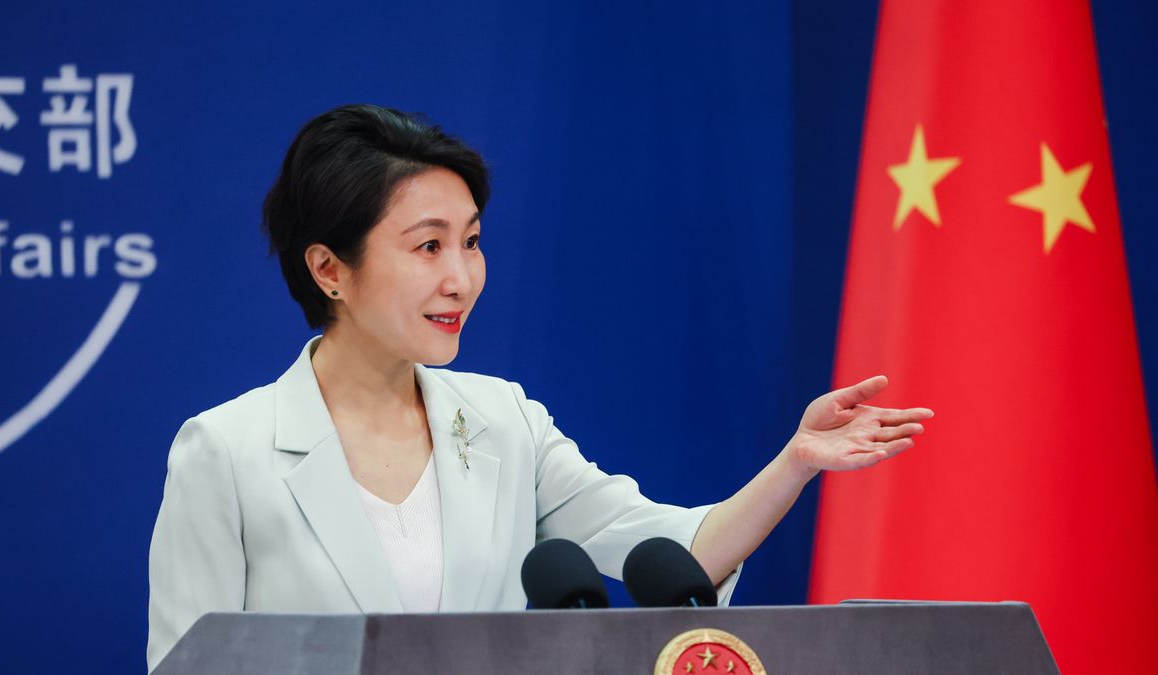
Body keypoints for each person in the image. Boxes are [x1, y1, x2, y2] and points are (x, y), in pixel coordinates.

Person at [146, 104, 932, 671]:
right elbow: (185, 665)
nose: (462, 278)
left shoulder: (505, 421)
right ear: (328, 269)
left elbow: (676, 552)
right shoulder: (227, 451)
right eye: (428, 246)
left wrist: (795, 461)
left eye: (472, 241)